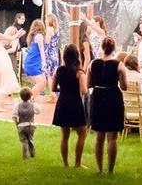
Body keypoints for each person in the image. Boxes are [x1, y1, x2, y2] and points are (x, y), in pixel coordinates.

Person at [88, 37, 127, 173]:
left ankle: (99, 169)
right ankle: (110, 169)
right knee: (112, 137)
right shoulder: (119, 65)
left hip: (98, 96)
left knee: (99, 136)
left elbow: (89, 84)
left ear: (102, 47)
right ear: (113, 49)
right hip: (113, 97)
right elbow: (124, 86)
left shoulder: (92, 64)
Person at [52, 44, 88, 168]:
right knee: (82, 133)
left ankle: (65, 164)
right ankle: (77, 163)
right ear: (77, 57)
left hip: (62, 102)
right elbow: (84, 91)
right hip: (75, 103)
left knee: (65, 135)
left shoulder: (59, 70)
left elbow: (53, 88)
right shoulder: (79, 72)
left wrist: (63, 87)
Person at [0, 16, 23, 111]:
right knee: (5, 80)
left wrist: (11, 39)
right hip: (0, 58)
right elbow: (8, 38)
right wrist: (17, 35)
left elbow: (6, 41)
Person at [12, 87, 41, 159]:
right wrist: (33, 102)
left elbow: (14, 116)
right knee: (30, 139)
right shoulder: (33, 105)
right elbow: (39, 111)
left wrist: (17, 123)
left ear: (20, 97)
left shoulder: (18, 106)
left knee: (24, 141)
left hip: (21, 126)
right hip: (31, 125)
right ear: (30, 96)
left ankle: (25, 156)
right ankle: (32, 154)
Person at [24, 19, 47, 100]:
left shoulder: (33, 36)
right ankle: (26, 99)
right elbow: (41, 50)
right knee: (41, 83)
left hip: (31, 61)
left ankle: (31, 99)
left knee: (41, 83)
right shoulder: (39, 36)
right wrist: (44, 63)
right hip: (33, 63)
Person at [44, 14, 61, 84]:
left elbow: (47, 42)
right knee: (54, 73)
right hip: (55, 53)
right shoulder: (57, 30)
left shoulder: (49, 29)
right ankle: (55, 89)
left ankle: (52, 92)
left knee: (48, 74)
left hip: (49, 53)